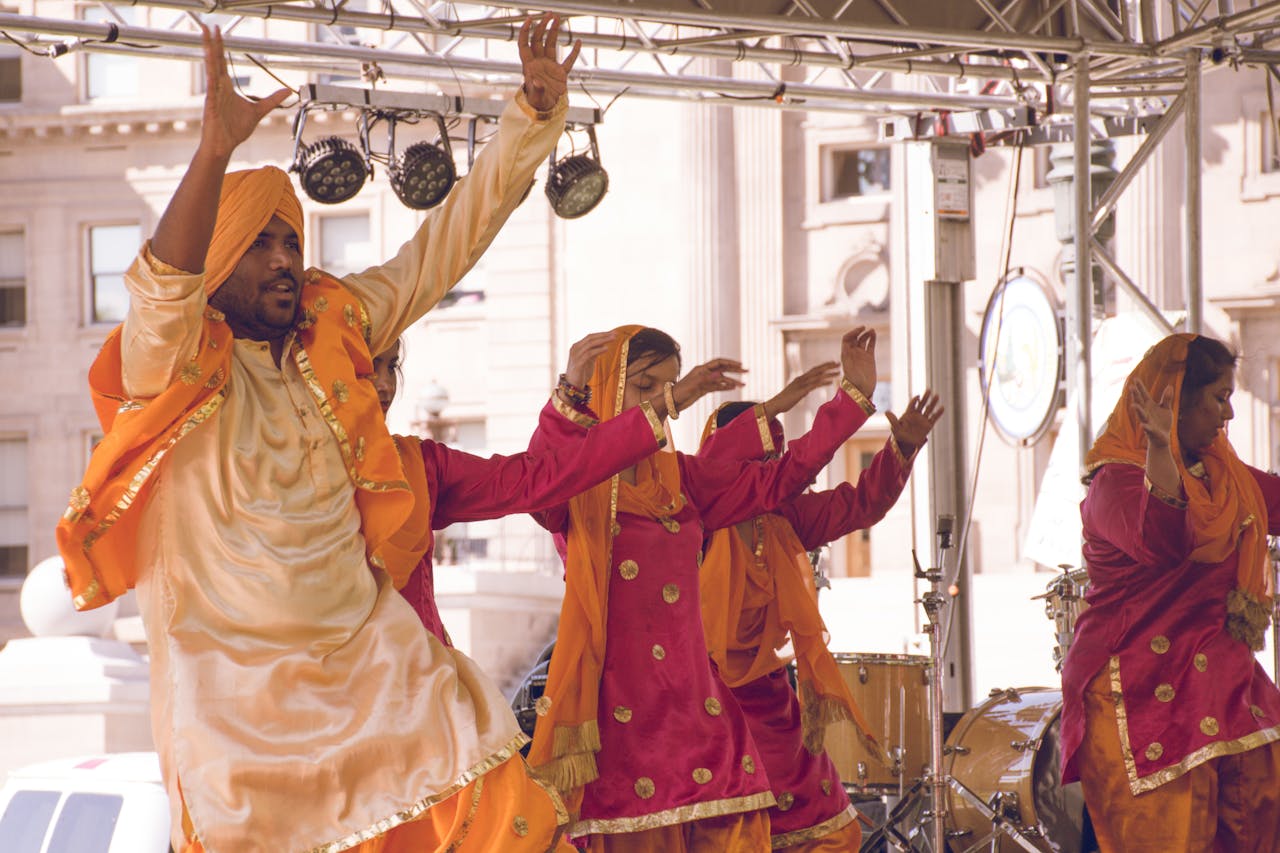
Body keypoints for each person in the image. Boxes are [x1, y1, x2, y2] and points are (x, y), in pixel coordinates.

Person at [55, 16, 591, 853]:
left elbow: (440, 252)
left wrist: (528, 121)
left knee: (505, 809)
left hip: (376, 669)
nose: (284, 260)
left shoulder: (329, 329)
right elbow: (163, 286)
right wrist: (213, 152)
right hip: (239, 713)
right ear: (217, 263)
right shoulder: (172, 368)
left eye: (291, 242)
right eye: (260, 244)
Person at [526, 324, 885, 852]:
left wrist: (851, 401)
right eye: (644, 386)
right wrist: (569, 393)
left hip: (692, 701)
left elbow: (780, 480)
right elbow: (539, 486)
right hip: (615, 707)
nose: (660, 401)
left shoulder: (682, 480)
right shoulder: (580, 485)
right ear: (606, 389)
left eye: (666, 387)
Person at [695, 379, 942, 851]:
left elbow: (859, 505)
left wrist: (900, 451)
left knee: (833, 831)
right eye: (762, 457)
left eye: (776, 459)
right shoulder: (692, 516)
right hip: (704, 702)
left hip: (770, 699)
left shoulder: (783, 516)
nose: (774, 472)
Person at [1060, 333, 1280, 851]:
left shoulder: (1223, 475)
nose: (1228, 415)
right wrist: (1159, 451)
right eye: (1218, 398)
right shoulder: (1113, 482)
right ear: (1177, 401)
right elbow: (1161, 542)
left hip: (1223, 683)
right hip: (1142, 689)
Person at [370, 336, 738, 646]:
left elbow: (535, 477)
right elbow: (547, 490)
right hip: (605, 665)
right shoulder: (328, 471)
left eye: (392, 366)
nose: (385, 385)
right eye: (369, 367)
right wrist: (572, 401)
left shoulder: (421, 465)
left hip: (414, 681)